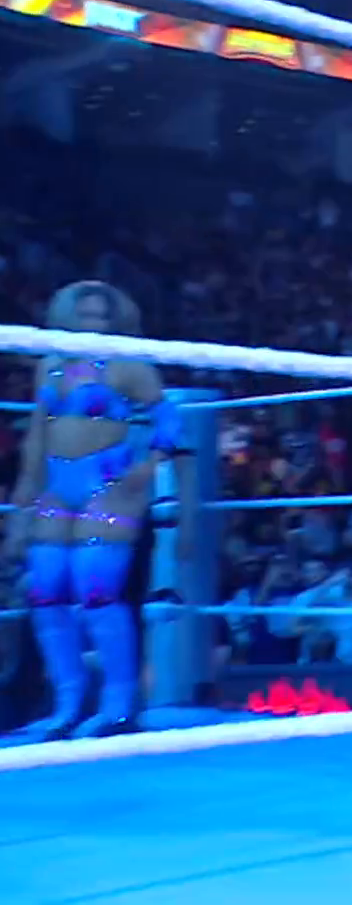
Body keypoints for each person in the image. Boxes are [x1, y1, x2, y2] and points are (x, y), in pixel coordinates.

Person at [6, 282, 192, 739]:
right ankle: (67, 703)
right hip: (57, 484)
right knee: (46, 592)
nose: (92, 325)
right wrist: (23, 496)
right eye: (84, 316)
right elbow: (37, 434)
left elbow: (170, 419)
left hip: (106, 484)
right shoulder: (50, 366)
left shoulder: (129, 365)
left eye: (100, 317)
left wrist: (148, 467)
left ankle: (117, 704)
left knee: (97, 593)